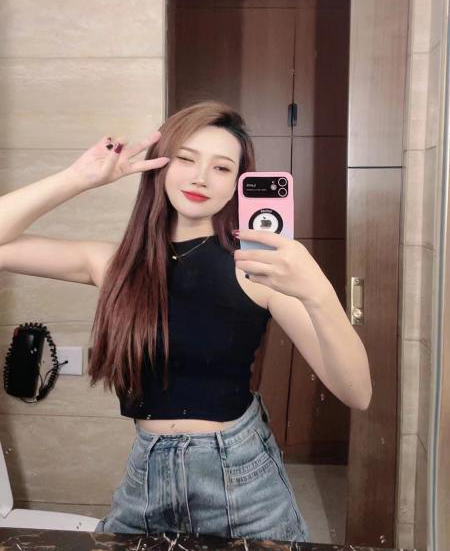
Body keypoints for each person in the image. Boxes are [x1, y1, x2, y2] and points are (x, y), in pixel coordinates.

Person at [0, 99, 310, 542]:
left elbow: (356, 389)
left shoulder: (256, 268)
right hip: (146, 475)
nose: (200, 177)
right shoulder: (114, 264)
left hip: (242, 476)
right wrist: (78, 179)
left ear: (237, 184)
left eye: (222, 168)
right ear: (160, 166)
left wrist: (316, 289)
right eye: (186, 159)